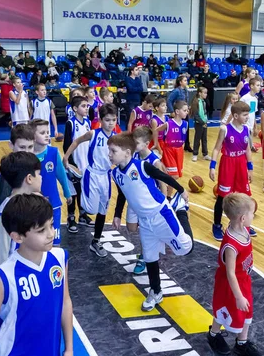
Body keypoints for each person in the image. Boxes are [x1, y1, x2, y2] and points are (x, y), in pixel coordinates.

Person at [0, 194, 75, 356]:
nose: (50, 234)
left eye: (51, 225)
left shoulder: (60, 258)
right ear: (17, 236)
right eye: (41, 230)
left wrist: (69, 349)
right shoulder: (4, 276)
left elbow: (65, 302)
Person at [110, 133, 193, 311]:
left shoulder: (141, 166)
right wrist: (117, 214)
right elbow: (122, 194)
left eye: (113, 151)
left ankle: (180, 211)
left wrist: (181, 190)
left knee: (186, 248)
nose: (109, 154)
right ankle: (156, 292)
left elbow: (164, 176)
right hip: (145, 222)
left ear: (126, 152)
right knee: (149, 257)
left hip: (161, 214)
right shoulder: (115, 173)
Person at [207, 192, 261, 356]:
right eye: (252, 213)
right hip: (229, 285)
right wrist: (238, 296)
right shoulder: (231, 244)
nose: (254, 215)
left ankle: (241, 342)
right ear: (243, 218)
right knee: (223, 311)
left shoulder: (244, 230)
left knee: (247, 310)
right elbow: (230, 273)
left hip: (244, 280)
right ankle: (214, 334)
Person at [63, 104, 117, 256]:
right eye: (107, 120)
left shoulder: (117, 137)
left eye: (113, 120)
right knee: (91, 210)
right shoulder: (93, 134)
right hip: (92, 174)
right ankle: (77, 178)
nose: (111, 123)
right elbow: (76, 142)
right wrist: (66, 156)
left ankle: (96, 241)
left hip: (106, 176)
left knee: (102, 211)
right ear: (100, 120)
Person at [115, 126, 170, 274]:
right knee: (131, 228)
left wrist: (164, 201)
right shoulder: (133, 156)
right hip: (134, 201)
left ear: (146, 144)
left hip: (150, 202)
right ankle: (153, 237)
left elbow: (163, 183)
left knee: (145, 230)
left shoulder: (154, 161)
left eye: (136, 143)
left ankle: (144, 254)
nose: (133, 145)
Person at [209, 101, 256, 240]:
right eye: (245, 115)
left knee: (243, 196)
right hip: (228, 163)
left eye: (248, 114)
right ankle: (217, 225)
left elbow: (247, 150)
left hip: (241, 163)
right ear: (235, 115)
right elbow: (217, 148)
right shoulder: (225, 129)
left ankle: (242, 224)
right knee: (223, 196)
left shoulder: (247, 129)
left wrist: (250, 168)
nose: (247, 117)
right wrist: (212, 166)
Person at [32, 119, 72, 247]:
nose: (47, 135)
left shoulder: (53, 152)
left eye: (48, 132)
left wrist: (67, 193)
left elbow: (61, 175)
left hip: (54, 203)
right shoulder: (28, 156)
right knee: (37, 240)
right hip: (34, 205)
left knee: (55, 242)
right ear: (32, 136)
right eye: (42, 132)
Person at [63, 96, 94, 232]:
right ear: (75, 109)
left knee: (82, 191)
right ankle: (71, 217)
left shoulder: (88, 122)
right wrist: (70, 163)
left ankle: (82, 214)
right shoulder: (70, 123)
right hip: (75, 163)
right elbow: (67, 144)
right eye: (83, 106)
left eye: (87, 106)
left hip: (86, 163)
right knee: (73, 192)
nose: (86, 108)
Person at [0, 124, 35, 210]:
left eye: (30, 147)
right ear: (11, 145)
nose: (27, 152)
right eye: (22, 147)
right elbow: (2, 206)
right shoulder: (7, 174)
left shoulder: (32, 165)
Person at [157, 100, 189, 196]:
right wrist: (155, 143)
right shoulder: (168, 123)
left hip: (179, 150)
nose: (187, 112)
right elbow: (155, 131)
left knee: (174, 176)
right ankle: (166, 193)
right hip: (169, 150)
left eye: (187, 110)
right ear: (177, 111)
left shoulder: (185, 124)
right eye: (184, 110)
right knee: (173, 175)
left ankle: (168, 196)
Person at [166, 75, 192, 152]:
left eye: (186, 80)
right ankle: (173, 143)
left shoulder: (186, 90)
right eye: (184, 80)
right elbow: (169, 100)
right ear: (180, 82)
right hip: (177, 114)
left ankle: (187, 145)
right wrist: (172, 111)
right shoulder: (176, 91)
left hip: (184, 113)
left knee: (186, 129)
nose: (186, 82)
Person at [240, 77, 262, 152]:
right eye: (258, 85)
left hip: (250, 125)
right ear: (252, 86)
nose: (260, 87)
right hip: (243, 126)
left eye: (260, 85)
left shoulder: (255, 98)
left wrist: (255, 126)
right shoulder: (244, 98)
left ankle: (251, 146)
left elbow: (253, 113)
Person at [190, 86, 210, 162]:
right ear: (199, 93)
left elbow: (204, 113)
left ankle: (205, 154)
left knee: (204, 139)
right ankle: (195, 154)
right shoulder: (195, 102)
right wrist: (202, 122)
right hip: (199, 123)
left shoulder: (203, 102)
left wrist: (205, 121)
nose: (206, 94)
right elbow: (196, 115)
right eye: (204, 93)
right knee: (197, 139)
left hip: (204, 122)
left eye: (206, 93)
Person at [124, 64, 144, 130]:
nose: (138, 71)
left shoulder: (138, 79)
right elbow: (130, 89)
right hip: (130, 100)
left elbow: (141, 89)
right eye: (136, 70)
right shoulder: (127, 79)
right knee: (130, 117)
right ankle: (128, 133)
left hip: (137, 100)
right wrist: (136, 89)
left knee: (137, 117)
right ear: (132, 71)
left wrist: (135, 89)